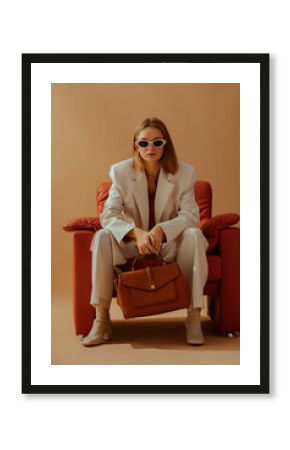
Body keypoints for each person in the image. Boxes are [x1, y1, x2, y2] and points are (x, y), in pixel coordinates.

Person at [81, 117, 208, 347]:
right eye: (144, 143)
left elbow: (190, 216)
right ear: (135, 145)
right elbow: (109, 216)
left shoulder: (185, 173)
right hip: (131, 247)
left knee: (194, 235)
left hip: (169, 247)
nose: (150, 148)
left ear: (166, 144)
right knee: (101, 236)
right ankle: (101, 319)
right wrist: (137, 233)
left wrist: (162, 230)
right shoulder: (120, 172)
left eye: (157, 142)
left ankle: (193, 317)